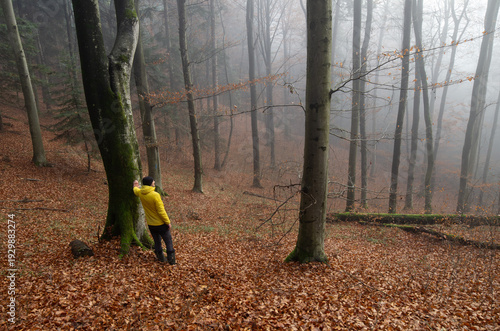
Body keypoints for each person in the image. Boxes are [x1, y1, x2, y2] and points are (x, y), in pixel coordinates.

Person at [133, 176, 176, 264]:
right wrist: (167, 222)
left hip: (151, 224)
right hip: (161, 224)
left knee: (157, 242)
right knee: (168, 242)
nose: (154, 183)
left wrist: (135, 186)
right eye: (153, 182)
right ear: (150, 184)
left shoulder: (141, 192)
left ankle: (160, 258)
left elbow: (136, 191)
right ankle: (171, 261)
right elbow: (161, 211)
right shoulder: (155, 195)